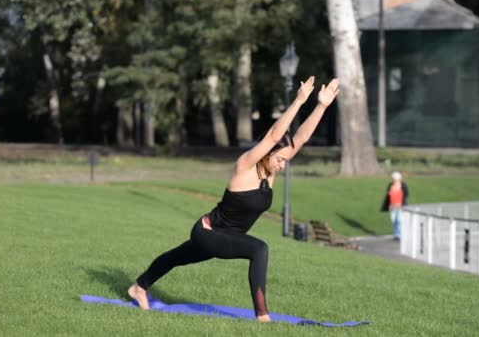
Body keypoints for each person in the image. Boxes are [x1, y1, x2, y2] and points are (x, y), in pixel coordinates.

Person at [127, 76, 341, 322]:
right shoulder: (246, 165)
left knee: (176, 257)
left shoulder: (269, 171)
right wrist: (298, 101)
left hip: (225, 236)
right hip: (208, 231)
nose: (283, 164)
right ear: (267, 153)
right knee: (259, 249)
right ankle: (262, 316)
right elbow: (274, 135)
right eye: (280, 159)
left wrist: (321, 106)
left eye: (285, 160)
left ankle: (139, 287)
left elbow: (300, 138)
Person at [380, 171, 409, 240]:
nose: (394, 180)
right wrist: (388, 204)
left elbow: (406, 194)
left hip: (400, 206)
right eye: (393, 179)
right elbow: (388, 195)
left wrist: (401, 202)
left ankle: (400, 234)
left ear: (399, 179)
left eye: (396, 179)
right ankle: (396, 234)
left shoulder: (403, 185)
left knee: (399, 220)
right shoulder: (390, 185)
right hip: (392, 206)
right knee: (393, 220)